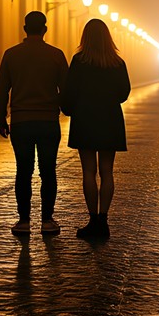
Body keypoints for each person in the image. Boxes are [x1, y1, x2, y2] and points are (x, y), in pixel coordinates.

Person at [0, 11, 69, 236]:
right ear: (45, 30)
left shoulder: (11, 55)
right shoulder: (56, 55)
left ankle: (24, 220)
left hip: (21, 121)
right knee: (48, 172)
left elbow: (1, 90)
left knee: (23, 171)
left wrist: (1, 118)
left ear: (24, 29)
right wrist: (65, 109)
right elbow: (66, 90)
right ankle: (47, 220)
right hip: (47, 121)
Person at [61, 18, 131, 239]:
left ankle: (93, 221)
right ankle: (104, 220)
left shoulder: (79, 61)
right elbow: (123, 93)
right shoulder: (117, 63)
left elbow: (69, 90)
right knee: (107, 171)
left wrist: (69, 109)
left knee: (89, 171)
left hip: (85, 118)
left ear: (85, 38)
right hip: (110, 118)